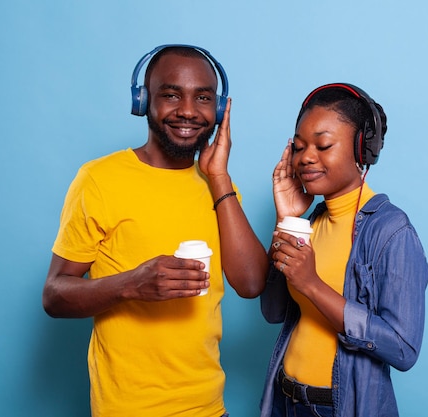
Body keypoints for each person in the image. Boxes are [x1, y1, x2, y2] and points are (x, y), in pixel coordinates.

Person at [42, 44, 268, 417]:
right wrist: (130, 284)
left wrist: (219, 176)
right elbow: (54, 295)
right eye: (170, 95)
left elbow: (250, 283)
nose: (188, 111)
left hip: (210, 409)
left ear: (221, 109)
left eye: (203, 98)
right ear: (143, 100)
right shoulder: (99, 180)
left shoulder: (217, 186)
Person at [259, 83, 428, 417]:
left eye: (323, 145)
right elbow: (272, 312)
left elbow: (403, 348)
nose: (306, 157)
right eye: (299, 146)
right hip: (285, 401)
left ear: (361, 150)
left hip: (337, 408)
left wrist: (311, 284)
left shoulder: (391, 231)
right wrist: (286, 220)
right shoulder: (310, 223)